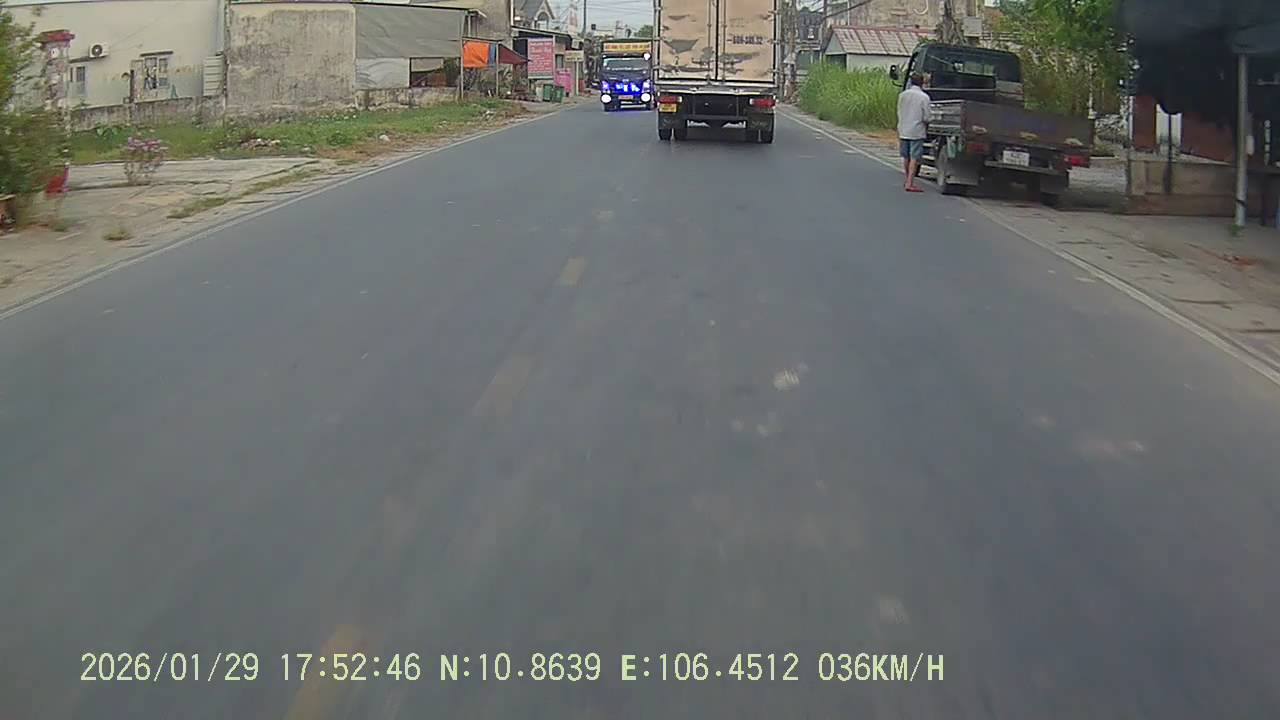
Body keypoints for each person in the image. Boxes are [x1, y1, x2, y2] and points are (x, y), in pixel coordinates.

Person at [897, 72, 931, 193]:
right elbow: (926, 117)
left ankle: (907, 179)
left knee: (906, 157)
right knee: (914, 158)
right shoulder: (924, 97)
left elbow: (899, 111)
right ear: (922, 82)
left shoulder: (902, 95)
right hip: (917, 131)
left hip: (903, 129)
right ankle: (910, 183)